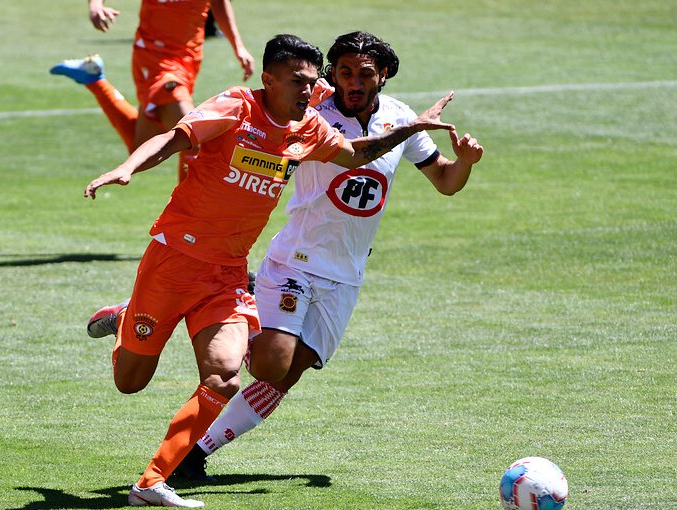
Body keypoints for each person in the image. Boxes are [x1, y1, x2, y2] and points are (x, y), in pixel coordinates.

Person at [82, 34, 458, 507]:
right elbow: (173, 138)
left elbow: (360, 154)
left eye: (311, 82)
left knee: (236, 375)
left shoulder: (310, 130)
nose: (310, 91)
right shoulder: (237, 107)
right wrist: (128, 167)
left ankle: (157, 478)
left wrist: (416, 128)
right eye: (301, 82)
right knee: (130, 382)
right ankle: (132, 316)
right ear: (269, 80)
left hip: (231, 271)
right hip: (177, 258)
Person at [166, 31, 483, 481]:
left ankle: (194, 455)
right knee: (271, 361)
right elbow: (311, 142)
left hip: (346, 275)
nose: (353, 82)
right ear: (331, 75)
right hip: (295, 261)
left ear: (383, 76)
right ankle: (194, 306)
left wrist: (465, 160)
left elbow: (447, 182)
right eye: (344, 72)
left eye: (364, 73)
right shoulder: (311, 111)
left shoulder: (399, 117)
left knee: (285, 377)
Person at [51, 0, 255, 181]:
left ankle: (94, 79)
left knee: (140, 147)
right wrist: (95, 4)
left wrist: (238, 46)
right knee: (193, 137)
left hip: (188, 59)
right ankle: (186, 216)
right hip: (155, 59)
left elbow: (219, 2)